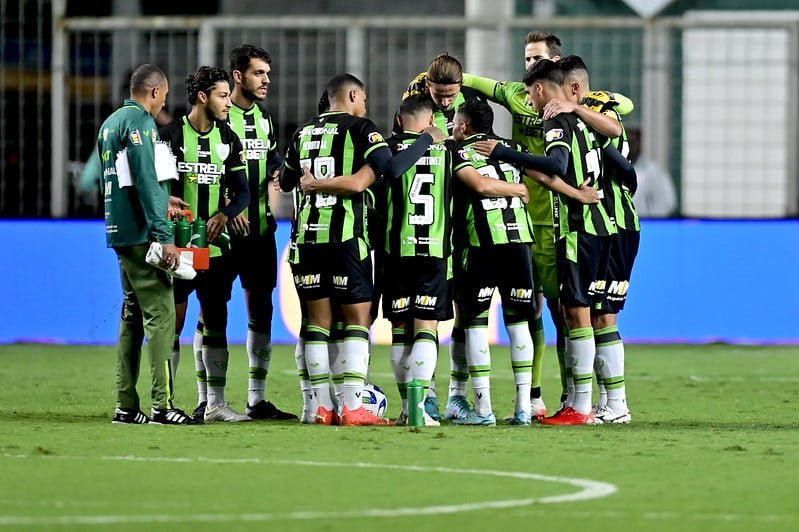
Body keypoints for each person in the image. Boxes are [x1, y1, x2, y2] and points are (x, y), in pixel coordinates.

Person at [462, 31, 633, 419]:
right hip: (534, 219)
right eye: (525, 59)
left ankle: (579, 398)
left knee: (573, 311)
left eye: (536, 59)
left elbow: (564, 160)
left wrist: (510, 152)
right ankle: (546, 397)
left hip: (572, 223)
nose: (528, 67)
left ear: (554, 68)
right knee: (539, 308)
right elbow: (474, 82)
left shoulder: (573, 112)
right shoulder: (527, 98)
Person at [281, 73, 435, 426]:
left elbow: (288, 180)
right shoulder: (362, 129)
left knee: (316, 324)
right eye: (363, 98)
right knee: (356, 322)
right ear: (352, 95)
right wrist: (425, 140)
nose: (365, 105)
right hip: (346, 239)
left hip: (306, 239)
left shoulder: (301, 133)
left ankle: (318, 407)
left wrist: (315, 179)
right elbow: (392, 169)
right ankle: (352, 405)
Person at [451, 98, 600, 426]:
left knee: (475, 324)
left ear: (463, 126)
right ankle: (522, 408)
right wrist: (575, 193)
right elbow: (546, 178)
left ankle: (483, 409)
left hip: (481, 245)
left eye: (454, 124)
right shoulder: (512, 148)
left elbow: (479, 185)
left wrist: (514, 189)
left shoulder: (458, 151)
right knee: (518, 323)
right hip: (520, 244)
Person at [97, 63, 198, 425]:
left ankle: (126, 405)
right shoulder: (140, 123)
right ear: (155, 92)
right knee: (161, 317)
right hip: (142, 236)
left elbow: (125, 181)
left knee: (131, 316)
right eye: (164, 96)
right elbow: (144, 176)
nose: (163, 103)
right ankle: (162, 405)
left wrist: (162, 199)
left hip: (120, 231)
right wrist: (163, 234)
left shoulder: (111, 124)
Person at [160, 66, 251, 423]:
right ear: (203, 97)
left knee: (215, 321)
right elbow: (155, 186)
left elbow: (243, 192)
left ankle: (214, 404)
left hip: (216, 249)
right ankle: (163, 402)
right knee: (173, 324)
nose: (229, 102)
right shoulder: (170, 137)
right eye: (223, 95)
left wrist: (226, 214)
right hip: (178, 249)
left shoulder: (228, 140)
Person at [556, 56, 639, 423]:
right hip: (609, 226)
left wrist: (575, 109)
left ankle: (614, 403)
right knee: (602, 314)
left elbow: (620, 153)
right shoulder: (591, 124)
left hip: (615, 228)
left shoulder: (597, 122)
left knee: (602, 315)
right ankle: (611, 403)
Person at [226, 44, 297, 421]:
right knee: (213, 313)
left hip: (261, 231)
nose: (266, 80)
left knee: (261, 310)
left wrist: (278, 175)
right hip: (223, 232)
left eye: (268, 73)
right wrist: (227, 207)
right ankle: (211, 398)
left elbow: (271, 163)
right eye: (258, 73)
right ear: (238, 76)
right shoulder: (220, 117)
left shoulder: (265, 120)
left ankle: (256, 399)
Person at [627, 127, 677, 217]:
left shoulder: (652, 171)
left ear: (639, 144)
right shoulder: (612, 169)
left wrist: (653, 222)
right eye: (626, 143)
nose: (629, 147)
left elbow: (667, 202)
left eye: (632, 143)